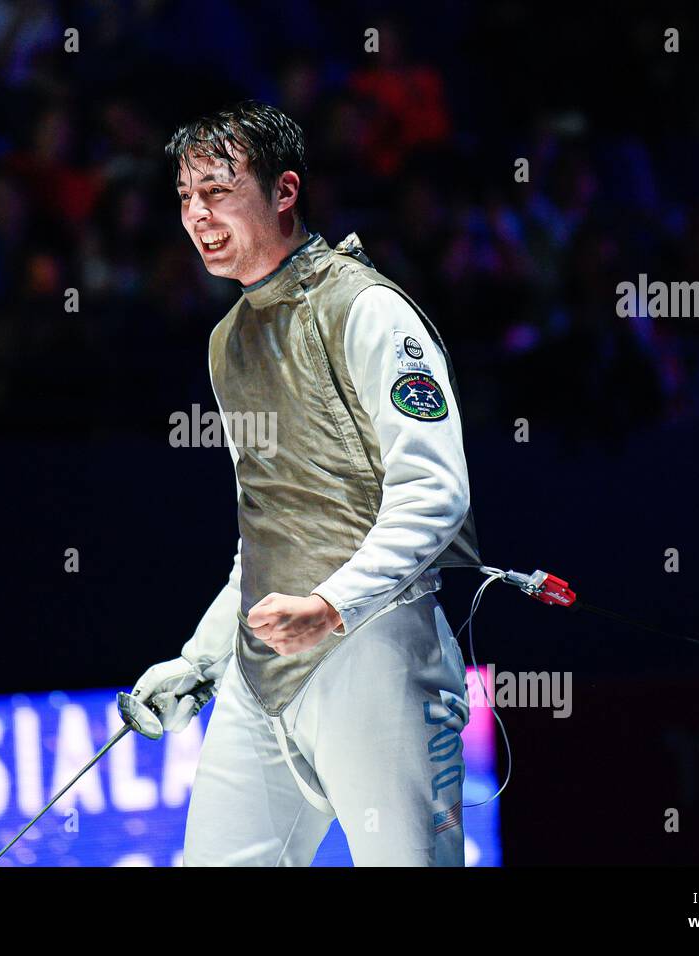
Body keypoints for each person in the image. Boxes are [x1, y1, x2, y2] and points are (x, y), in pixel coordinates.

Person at [132, 100, 481, 866]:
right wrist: (201, 660)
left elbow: (435, 493)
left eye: (218, 191)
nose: (198, 214)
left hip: (377, 655)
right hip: (264, 671)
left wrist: (331, 605)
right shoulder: (229, 341)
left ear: (284, 191)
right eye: (185, 196)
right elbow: (267, 529)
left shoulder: (369, 310)